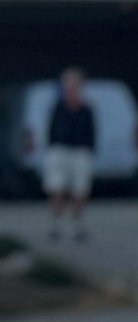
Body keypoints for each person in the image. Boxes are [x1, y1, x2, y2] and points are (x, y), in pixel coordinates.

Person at [43, 68, 97, 243]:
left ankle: (77, 224)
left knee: (80, 190)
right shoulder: (57, 107)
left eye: (73, 84)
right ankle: (56, 224)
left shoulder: (86, 109)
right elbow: (50, 130)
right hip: (59, 151)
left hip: (80, 152)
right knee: (56, 188)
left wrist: (89, 151)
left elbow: (92, 133)